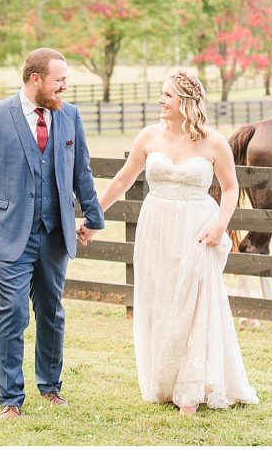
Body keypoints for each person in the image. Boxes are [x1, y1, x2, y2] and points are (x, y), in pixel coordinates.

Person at [89, 70, 258, 414]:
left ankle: (192, 389)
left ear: (185, 102)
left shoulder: (213, 142)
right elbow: (123, 179)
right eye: (161, 95)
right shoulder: (149, 137)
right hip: (157, 228)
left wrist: (220, 225)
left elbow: (230, 188)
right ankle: (166, 381)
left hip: (198, 228)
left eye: (167, 95)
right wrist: (94, 217)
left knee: (193, 301)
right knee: (161, 299)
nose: (161, 101)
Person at [0, 47, 106, 419]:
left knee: (52, 312)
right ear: (35, 79)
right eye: (59, 81)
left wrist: (93, 218)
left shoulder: (69, 116)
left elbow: (81, 172)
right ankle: (10, 398)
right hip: (8, 234)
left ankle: (51, 387)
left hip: (54, 234)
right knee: (13, 312)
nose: (64, 87)